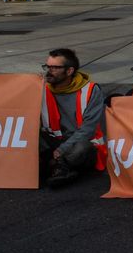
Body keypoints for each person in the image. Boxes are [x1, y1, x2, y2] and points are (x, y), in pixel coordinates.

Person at [40, 48, 107, 188]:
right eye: (47, 66)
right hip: (53, 141)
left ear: (69, 71)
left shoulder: (90, 90)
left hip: (79, 142)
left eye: (54, 68)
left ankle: (57, 167)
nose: (48, 71)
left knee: (83, 148)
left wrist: (61, 150)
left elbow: (87, 130)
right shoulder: (41, 88)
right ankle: (61, 168)